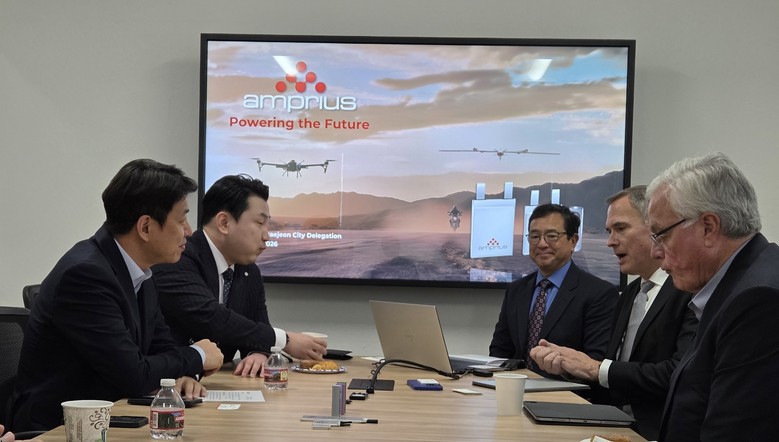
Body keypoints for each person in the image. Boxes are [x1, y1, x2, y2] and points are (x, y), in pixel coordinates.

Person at [9, 159, 224, 432]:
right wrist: (198, 355)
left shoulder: (139, 272)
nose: (189, 231)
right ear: (145, 227)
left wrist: (181, 376)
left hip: (108, 418)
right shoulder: (86, 275)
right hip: (62, 429)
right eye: (181, 219)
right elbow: (133, 375)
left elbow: (162, 348)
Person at [530, 186, 698, 440]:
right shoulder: (630, 294)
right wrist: (569, 367)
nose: (610, 241)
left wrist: (595, 369)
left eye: (620, 228)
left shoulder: (690, 292)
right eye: (609, 231)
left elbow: (677, 375)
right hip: (612, 428)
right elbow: (612, 377)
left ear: (655, 228)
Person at [646, 152, 779, 441]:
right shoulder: (738, 284)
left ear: (708, 228)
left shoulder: (759, 300)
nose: (655, 252)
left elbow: (735, 432)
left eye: (661, 236)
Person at [153, 174, 327, 378]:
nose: (267, 236)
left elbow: (257, 327)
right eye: (260, 223)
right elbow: (211, 318)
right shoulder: (178, 258)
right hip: (172, 382)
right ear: (224, 223)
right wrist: (285, 340)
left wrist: (258, 353)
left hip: (218, 383)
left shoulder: (248, 270)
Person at [489, 203, 618, 378]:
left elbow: (595, 363)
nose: (542, 244)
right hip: (514, 388)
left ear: (573, 241)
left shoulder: (599, 294)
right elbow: (499, 351)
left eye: (552, 236)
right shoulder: (516, 290)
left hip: (568, 392)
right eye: (535, 236)